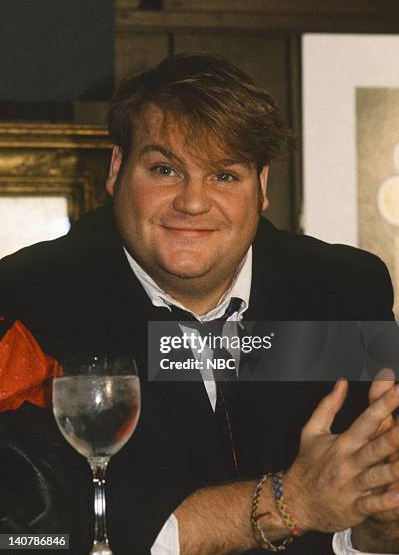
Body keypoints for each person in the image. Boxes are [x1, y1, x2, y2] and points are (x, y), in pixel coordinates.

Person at [1, 53, 399, 555]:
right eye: (165, 170)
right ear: (117, 169)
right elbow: (28, 529)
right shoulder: (28, 302)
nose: (193, 203)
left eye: (224, 176)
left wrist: (378, 528)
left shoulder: (343, 290)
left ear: (261, 186)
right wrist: (291, 502)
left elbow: (368, 515)